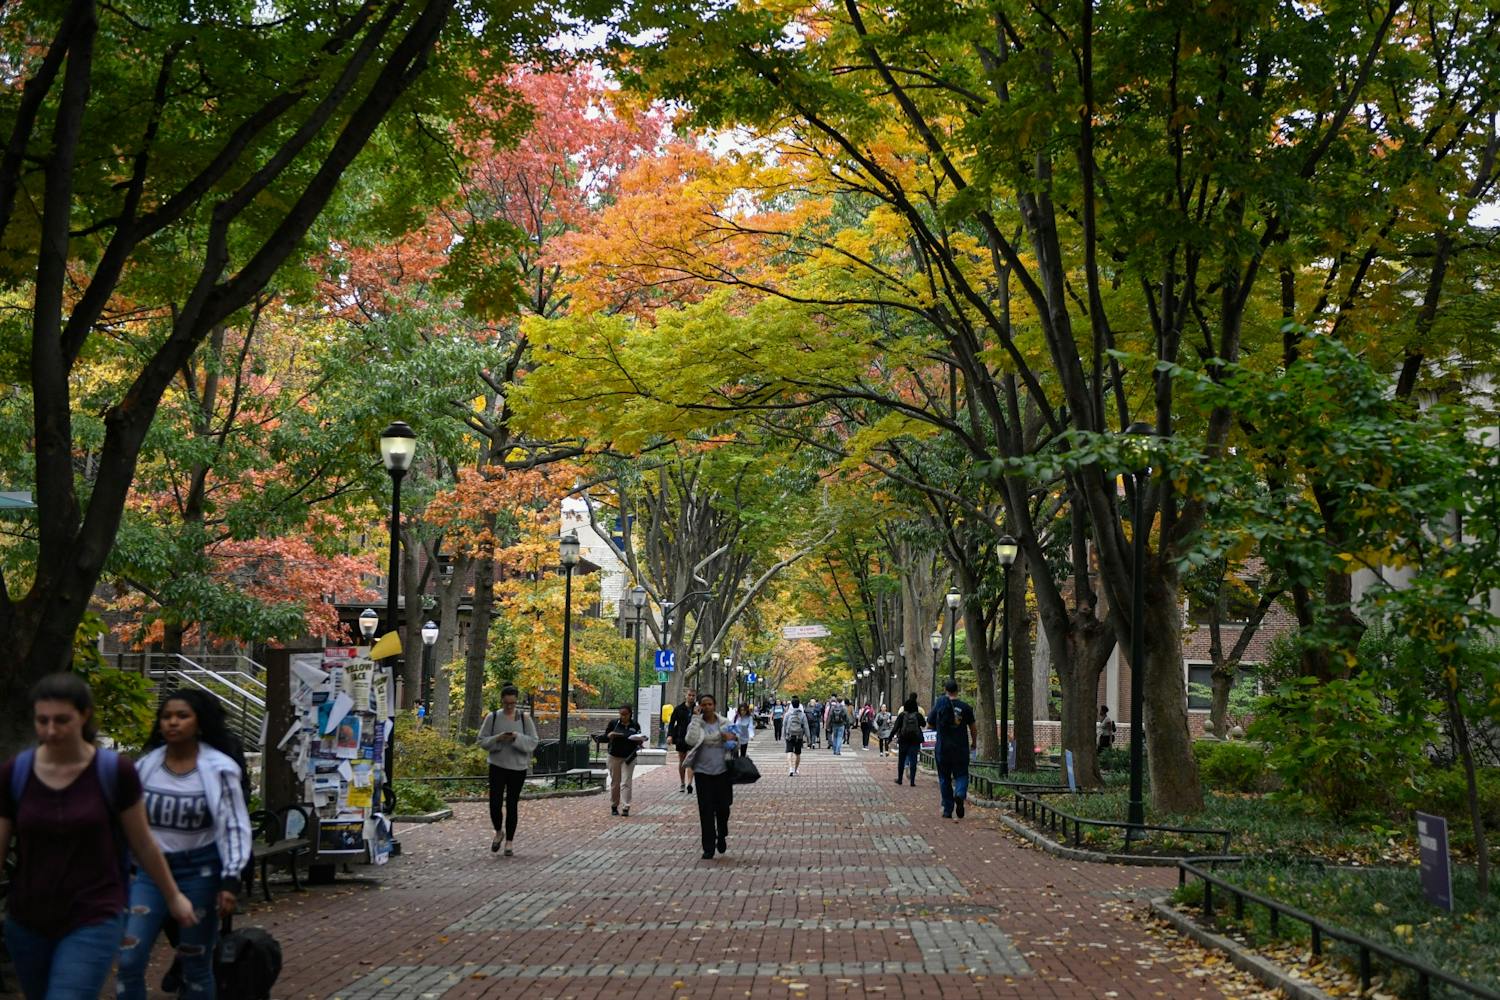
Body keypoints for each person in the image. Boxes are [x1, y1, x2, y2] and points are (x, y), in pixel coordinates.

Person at [0, 673, 197, 1000]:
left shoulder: (113, 773)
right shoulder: (16, 774)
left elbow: (144, 843)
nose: (50, 731)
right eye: (42, 721)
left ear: (84, 715)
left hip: (94, 914)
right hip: (28, 919)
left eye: (62, 720)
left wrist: (173, 896)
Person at [117, 689, 254, 1000]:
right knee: (129, 958)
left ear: (199, 722)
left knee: (194, 962)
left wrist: (230, 879)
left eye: (182, 716)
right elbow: (126, 819)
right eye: (166, 717)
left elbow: (235, 825)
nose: (173, 723)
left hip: (200, 872)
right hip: (150, 873)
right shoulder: (146, 767)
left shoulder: (219, 769)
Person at [477, 685, 539, 856]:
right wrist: (498, 738)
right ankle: (498, 832)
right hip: (497, 765)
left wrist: (516, 738)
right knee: (494, 803)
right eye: (506, 703)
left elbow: (533, 741)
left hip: (518, 767)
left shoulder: (524, 719)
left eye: (513, 703)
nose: (510, 707)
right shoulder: (493, 717)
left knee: (512, 805)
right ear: (502, 701)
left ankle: (509, 842)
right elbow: (482, 741)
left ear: (516, 701)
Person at [685, 694, 738, 859]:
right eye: (703, 704)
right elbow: (690, 740)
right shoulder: (697, 723)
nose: (707, 707)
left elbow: (736, 743)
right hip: (702, 772)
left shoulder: (725, 723)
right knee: (706, 810)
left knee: (723, 807)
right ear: (699, 706)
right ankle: (708, 847)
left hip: (722, 771)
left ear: (714, 705)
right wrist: (695, 718)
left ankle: (721, 833)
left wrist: (730, 739)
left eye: (709, 704)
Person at [931, 679, 977, 819]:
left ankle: (947, 809)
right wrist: (974, 742)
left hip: (943, 748)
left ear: (946, 690)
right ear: (957, 690)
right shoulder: (965, 707)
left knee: (944, 778)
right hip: (960, 748)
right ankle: (960, 794)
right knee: (962, 774)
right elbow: (973, 728)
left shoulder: (939, 706)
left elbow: (930, 724)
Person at [604, 704, 645, 817]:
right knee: (615, 782)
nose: (623, 717)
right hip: (614, 756)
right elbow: (605, 736)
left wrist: (640, 741)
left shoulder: (635, 725)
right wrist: (610, 735)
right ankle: (614, 805)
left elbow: (637, 737)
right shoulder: (614, 723)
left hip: (629, 757)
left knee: (626, 782)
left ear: (630, 714)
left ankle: (626, 806)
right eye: (621, 714)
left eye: (625, 714)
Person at [668, 687, 698, 793]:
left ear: (695, 697)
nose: (691, 697)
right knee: (682, 760)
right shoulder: (678, 709)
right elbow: (672, 723)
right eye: (689, 695)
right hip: (681, 737)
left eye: (693, 696)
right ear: (686, 695)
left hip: (693, 738)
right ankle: (682, 782)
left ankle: (689, 783)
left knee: (691, 759)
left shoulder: (698, 709)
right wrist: (670, 735)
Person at [891, 695, 925, 785]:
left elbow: (895, 727)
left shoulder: (902, 715)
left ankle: (900, 779)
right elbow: (924, 724)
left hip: (903, 740)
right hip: (914, 740)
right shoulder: (917, 715)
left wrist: (890, 737)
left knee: (901, 760)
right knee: (913, 760)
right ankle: (912, 781)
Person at [781, 697, 809, 776]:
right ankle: (796, 769)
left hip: (789, 735)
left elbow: (784, 725)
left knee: (789, 752)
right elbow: (806, 726)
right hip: (799, 736)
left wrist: (784, 735)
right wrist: (808, 737)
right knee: (798, 753)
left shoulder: (787, 714)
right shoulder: (802, 714)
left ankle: (790, 768)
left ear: (791, 704)